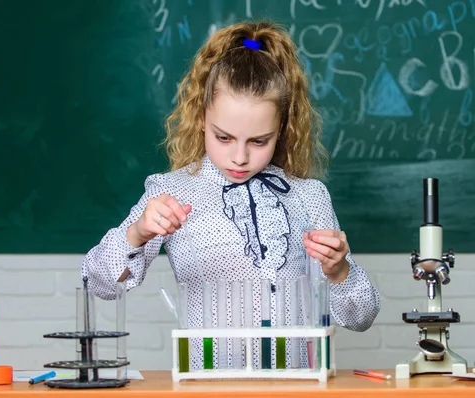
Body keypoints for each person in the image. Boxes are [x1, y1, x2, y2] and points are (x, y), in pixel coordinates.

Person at [81, 21, 380, 370]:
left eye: (258, 141)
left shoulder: (309, 196)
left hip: (297, 387)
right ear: (202, 119)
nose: (240, 157)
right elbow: (97, 284)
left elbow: (361, 318)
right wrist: (137, 233)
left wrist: (340, 269)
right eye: (224, 138)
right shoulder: (171, 191)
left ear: (280, 129)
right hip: (207, 385)